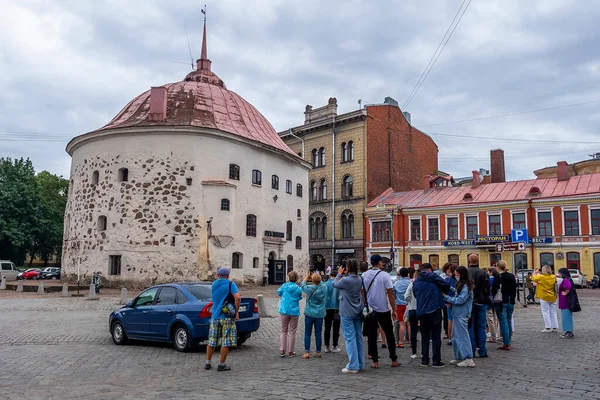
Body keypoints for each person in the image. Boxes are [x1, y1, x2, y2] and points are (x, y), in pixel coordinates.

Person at [361, 254, 399, 368]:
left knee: (372, 336)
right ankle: (393, 359)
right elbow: (390, 293)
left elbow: (362, 292)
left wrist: (365, 304)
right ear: (379, 263)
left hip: (370, 309)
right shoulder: (385, 275)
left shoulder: (364, 275)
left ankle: (375, 362)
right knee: (389, 334)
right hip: (383, 308)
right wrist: (394, 309)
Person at [412, 262, 451, 368]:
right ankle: (436, 360)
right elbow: (446, 285)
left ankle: (424, 360)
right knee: (435, 336)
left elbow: (415, 294)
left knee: (424, 336)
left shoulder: (416, 280)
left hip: (421, 311)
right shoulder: (433, 276)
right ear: (429, 269)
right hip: (434, 309)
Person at [205, 267, 241, 371]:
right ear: (228, 275)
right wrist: (236, 310)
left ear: (217, 275)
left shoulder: (214, 284)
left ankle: (208, 362)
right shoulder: (230, 284)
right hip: (227, 317)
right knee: (226, 341)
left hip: (215, 316)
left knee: (212, 341)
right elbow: (238, 297)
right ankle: (221, 364)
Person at [333, 258, 365, 373]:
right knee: (358, 338)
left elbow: (334, 284)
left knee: (350, 338)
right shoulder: (360, 279)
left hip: (346, 311)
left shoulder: (345, 280)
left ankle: (353, 365)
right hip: (358, 310)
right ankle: (360, 363)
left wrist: (339, 274)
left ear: (347, 268)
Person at [444, 266, 475, 367]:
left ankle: (467, 358)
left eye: (457, 275)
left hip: (462, 314)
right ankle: (459, 356)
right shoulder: (463, 285)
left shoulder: (466, 286)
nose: (455, 276)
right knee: (456, 337)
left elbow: (460, 300)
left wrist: (446, 297)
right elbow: (457, 294)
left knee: (462, 336)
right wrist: (450, 289)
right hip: (457, 313)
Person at [467, 254, 490, 358]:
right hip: (481, 302)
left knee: (470, 327)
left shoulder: (466, 272)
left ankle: (471, 351)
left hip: (470, 303)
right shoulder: (483, 272)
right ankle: (482, 350)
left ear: (469, 261)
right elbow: (487, 288)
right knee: (481, 327)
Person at [301, 270, 327, 359]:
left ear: (312, 281)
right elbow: (321, 283)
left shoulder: (310, 288)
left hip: (309, 312)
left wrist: (307, 277)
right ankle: (318, 351)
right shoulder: (324, 287)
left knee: (307, 332)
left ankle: (307, 352)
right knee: (318, 333)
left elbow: (302, 285)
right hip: (319, 313)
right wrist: (317, 277)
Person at [492, 260, 517, 350]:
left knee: (503, 321)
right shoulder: (511, 276)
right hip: (511, 301)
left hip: (501, 301)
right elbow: (515, 288)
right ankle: (509, 340)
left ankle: (506, 343)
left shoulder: (498, 277)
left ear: (498, 267)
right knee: (509, 320)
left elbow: (494, 289)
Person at [277, 270, 303, 357]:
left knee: (283, 330)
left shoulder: (284, 286)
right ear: (296, 278)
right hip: (294, 311)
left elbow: (278, 292)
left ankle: (282, 350)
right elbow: (300, 297)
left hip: (284, 310)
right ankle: (290, 351)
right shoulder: (298, 288)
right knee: (292, 331)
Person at [532, 265, 558, 332]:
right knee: (553, 312)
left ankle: (548, 327)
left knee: (546, 312)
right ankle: (554, 327)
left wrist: (535, 272)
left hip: (544, 296)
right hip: (552, 296)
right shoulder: (553, 277)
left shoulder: (540, 277)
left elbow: (533, 278)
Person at [324, 268, 341, 353]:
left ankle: (327, 346)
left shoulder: (325, 284)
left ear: (330, 275)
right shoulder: (338, 284)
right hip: (337, 308)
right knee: (336, 328)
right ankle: (335, 346)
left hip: (327, 308)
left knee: (327, 327)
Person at [393, 267, 411, 348]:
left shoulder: (396, 283)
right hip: (409, 305)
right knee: (410, 324)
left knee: (402, 324)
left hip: (400, 305)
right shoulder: (410, 283)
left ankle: (401, 342)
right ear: (408, 274)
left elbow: (393, 295)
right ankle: (411, 341)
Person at [404, 269, 419, 359]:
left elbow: (406, 296)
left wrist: (410, 301)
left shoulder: (412, 284)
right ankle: (424, 352)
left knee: (413, 330)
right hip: (422, 309)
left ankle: (414, 352)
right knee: (424, 332)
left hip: (412, 309)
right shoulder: (424, 284)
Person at [557, 268, 575, 338]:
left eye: (559, 273)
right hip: (565, 302)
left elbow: (568, 287)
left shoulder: (565, 280)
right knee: (567, 316)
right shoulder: (567, 279)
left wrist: (565, 293)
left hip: (565, 302)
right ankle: (569, 331)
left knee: (566, 317)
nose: (558, 274)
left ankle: (568, 332)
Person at [486, 267, 501, 344]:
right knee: (496, 318)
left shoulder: (490, 280)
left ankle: (493, 336)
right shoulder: (498, 278)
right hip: (498, 300)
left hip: (490, 299)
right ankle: (498, 334)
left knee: (490, 318)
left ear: (491, 272)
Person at [444, 264, 457, 346]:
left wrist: (445, 301)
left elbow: (443, 290)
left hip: (449, 301)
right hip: (458, 302)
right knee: (457, 320)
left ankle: (450, 338)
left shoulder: (447, 279)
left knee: (450, 320)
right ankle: (456, 337)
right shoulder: (459, 280)